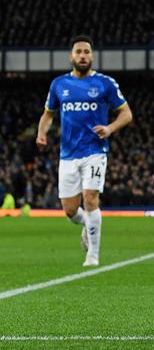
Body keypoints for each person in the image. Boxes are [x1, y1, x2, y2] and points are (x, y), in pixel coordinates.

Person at [36, 35, 133, 267]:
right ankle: (86, 226)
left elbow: (126, 113)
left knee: (90, 199)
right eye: (78, 52)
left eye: (86, 52)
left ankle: (93, 255)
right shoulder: (59, 84)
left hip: (95, 151)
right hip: (68, 154)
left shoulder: (105, 83)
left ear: (92, 56)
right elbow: (48, 114)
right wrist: (42, 133)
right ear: (71, 56)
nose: (82, 56)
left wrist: (110, 128)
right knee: (70, 211)